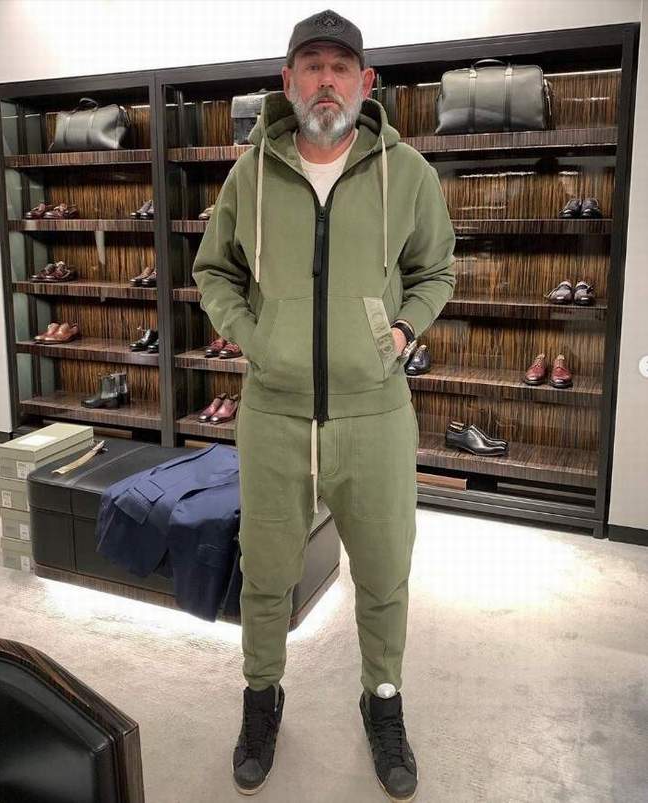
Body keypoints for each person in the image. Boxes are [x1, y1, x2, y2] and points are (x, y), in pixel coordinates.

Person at [192, 8, 456, 801]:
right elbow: (214, 271)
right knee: (265, 571)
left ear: (366, 82)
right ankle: (261, 696)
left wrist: (403, 329)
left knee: (384, 571)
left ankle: (383, 701)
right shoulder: (250, 175)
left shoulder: (408, 174)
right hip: (274, 413)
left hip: (375, 413)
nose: (327, 81)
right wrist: (254, 336)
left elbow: (436, 269)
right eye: (312, 66)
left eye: (341, 67)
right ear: (288, 81)